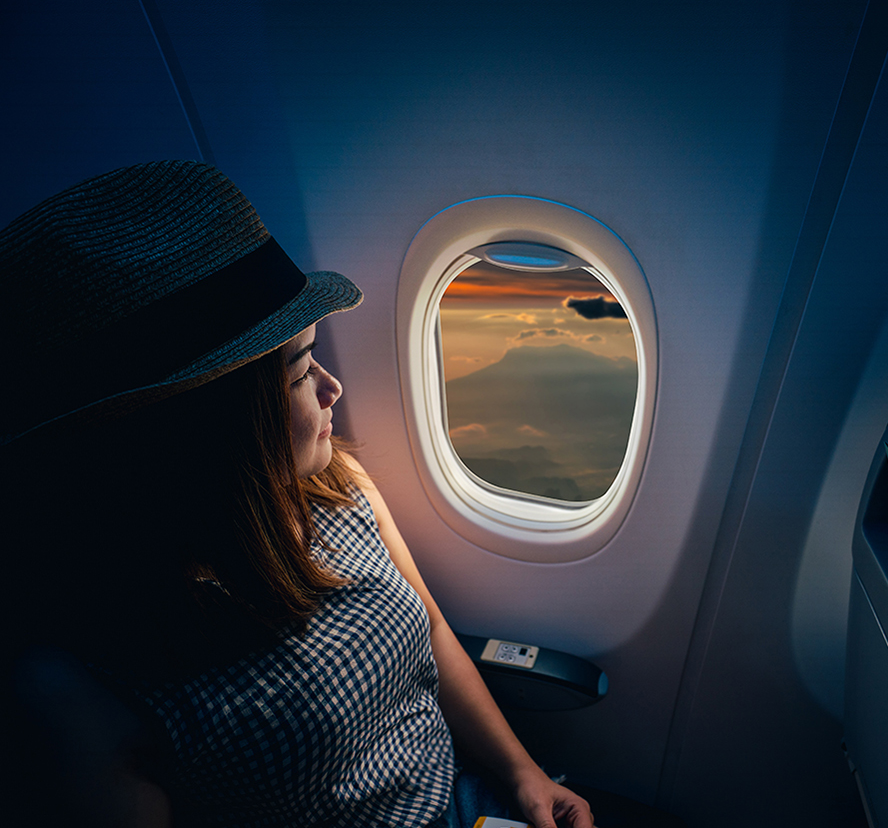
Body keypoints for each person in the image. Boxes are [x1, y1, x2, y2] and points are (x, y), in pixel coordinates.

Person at [0, 161, 594, 828]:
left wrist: (523, 775)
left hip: (467, 802)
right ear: (202, 427)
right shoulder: (78, 686)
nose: (332, 388)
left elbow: (429, 628)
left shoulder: (335, 485)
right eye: (298, 373)